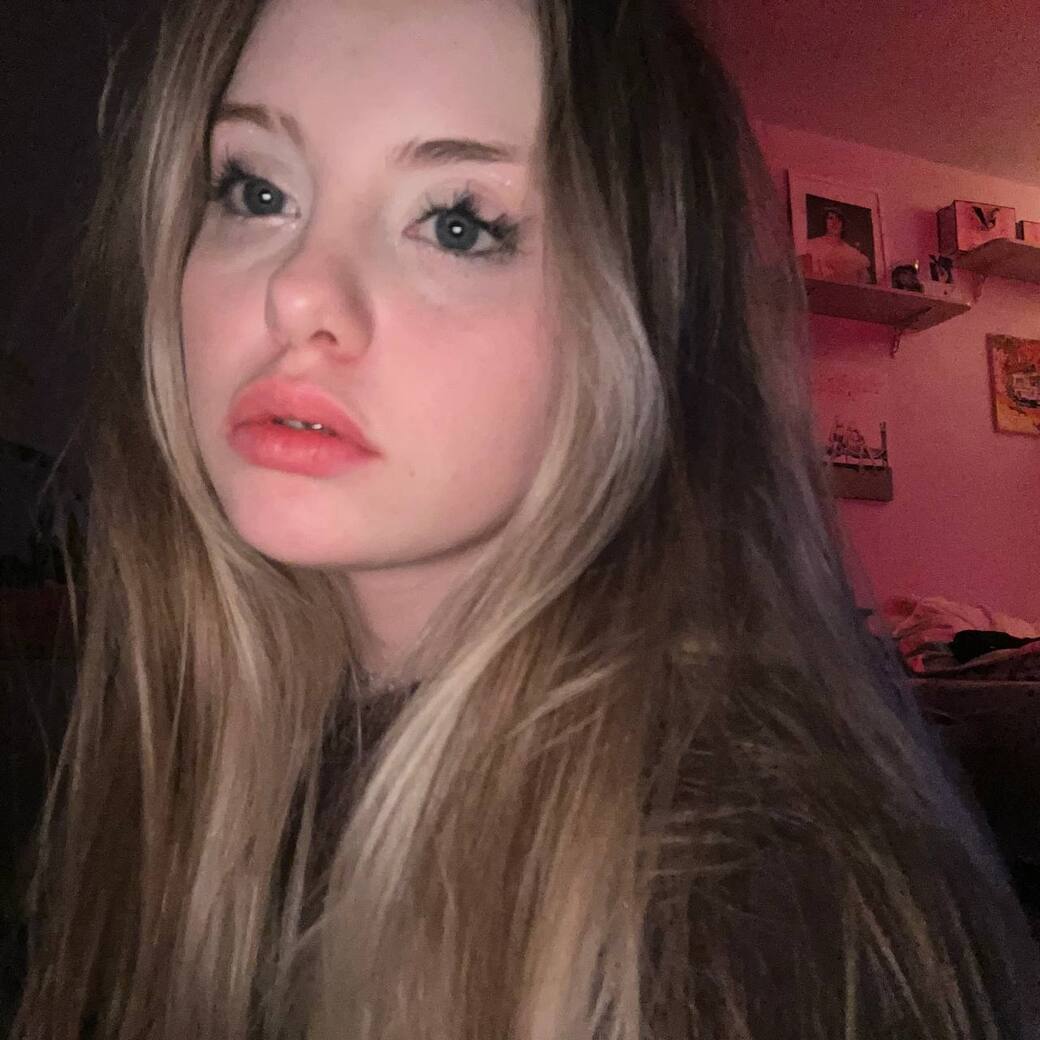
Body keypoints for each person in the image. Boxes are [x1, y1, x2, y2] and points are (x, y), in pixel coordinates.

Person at [13, 0, 1039, 1036]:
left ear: (636, 322)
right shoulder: (173, 739)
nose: (297, 292)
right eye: (256, 190)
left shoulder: (752, 899)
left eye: (456, 223)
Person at [805, 205, 873, 284]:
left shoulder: (853, 253)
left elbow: (864, 282)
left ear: (843, 224)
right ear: (824, 222)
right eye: (830, 218)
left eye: (839, 219)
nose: (835, 222)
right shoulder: (811, 245)